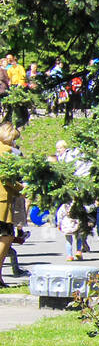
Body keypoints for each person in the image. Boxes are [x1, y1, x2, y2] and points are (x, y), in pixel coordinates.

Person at [0, 121, 24, 287]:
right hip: (2, 200)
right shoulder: (6, 152)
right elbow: (7, 178)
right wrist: (22, 188)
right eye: (14, 138)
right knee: (5, 237)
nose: (14, 142)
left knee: (7, 237)